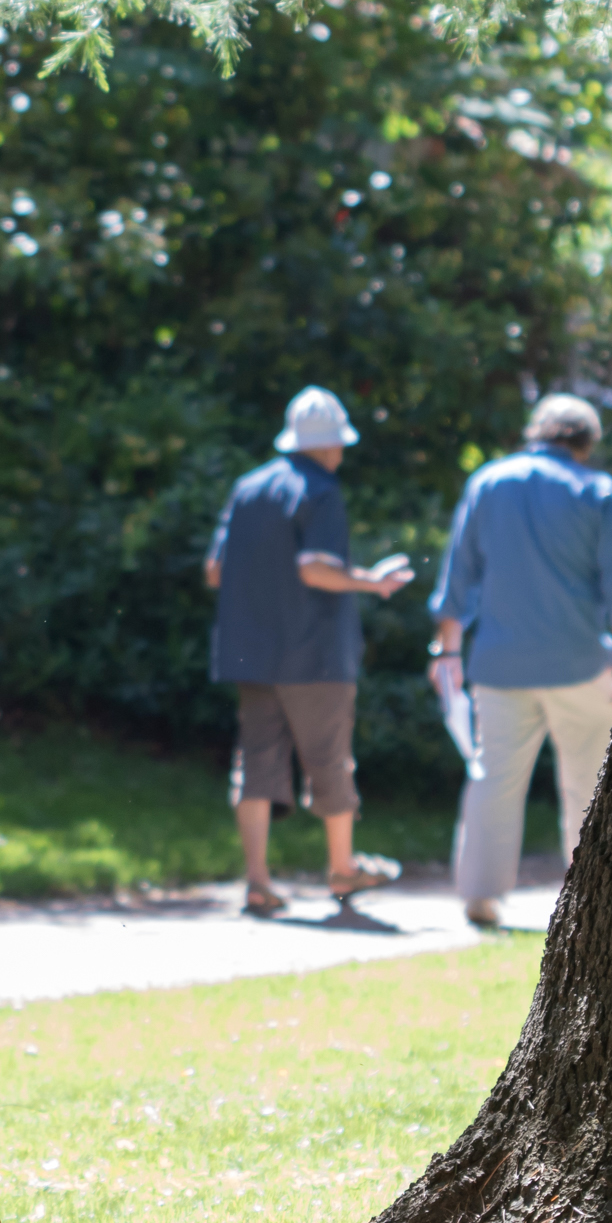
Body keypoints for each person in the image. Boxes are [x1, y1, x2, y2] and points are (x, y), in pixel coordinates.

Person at [426, 394, 612, 929]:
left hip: (498, 665)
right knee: (588, 782)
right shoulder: (597, 491)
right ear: (586, 443)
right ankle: (591, 901)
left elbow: (458, 575)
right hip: (577, 663)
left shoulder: (489, 483)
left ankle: (481, 895)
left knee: (493, 779)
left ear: (535, 434)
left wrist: (447, 647)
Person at [205, 385, 415, 917]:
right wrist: (372, 582)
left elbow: (214, 570)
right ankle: (342, 870)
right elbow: (315, 568)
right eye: (340, 443)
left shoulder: (248, 488)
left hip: (252, 654)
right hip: (316, 656)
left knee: (255, 764)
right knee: (329, 760)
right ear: (328, 446)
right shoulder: (322, 490)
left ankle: (257, 882)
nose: (341, 453)